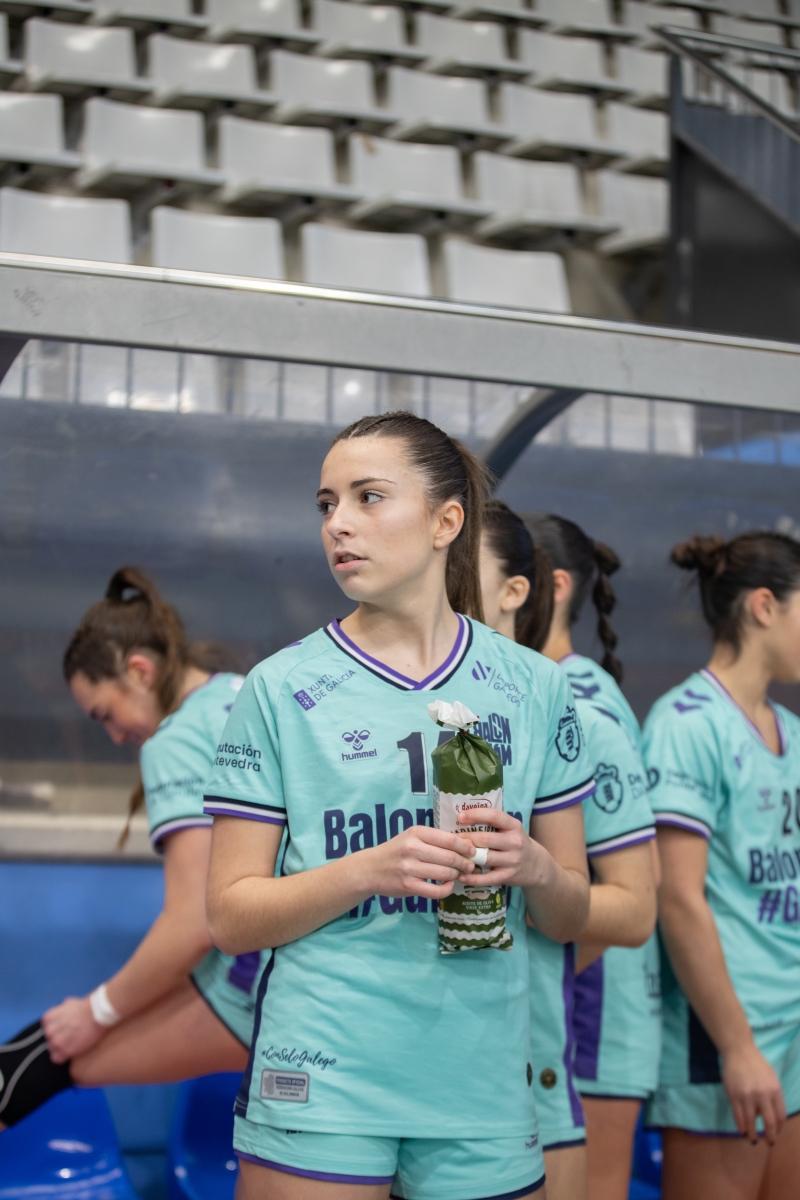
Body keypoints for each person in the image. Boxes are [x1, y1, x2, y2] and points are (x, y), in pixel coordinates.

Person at [203, 411, 595, 1200]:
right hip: (323, 1072)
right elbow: (230, 917)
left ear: (446, 522)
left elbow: (571, 916)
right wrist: (368, 870)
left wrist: (536, 868)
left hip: (483, 1080)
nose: (338, 524)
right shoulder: (279, 689)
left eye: (369, 497)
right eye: (327, 504)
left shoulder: (535, 687)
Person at [0, 568, 268, 1130]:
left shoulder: (175, 739)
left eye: (105, 714)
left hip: (260, 989)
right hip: (289, 963)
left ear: (139, 671)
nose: (116, 736)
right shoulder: (241, 690)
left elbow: (193, 923)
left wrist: (96, 1012)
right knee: (46, 1044)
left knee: (53, 1056)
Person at [480, 502, 658, 1200]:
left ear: (527, 587)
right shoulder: (481, 702)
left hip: (585, 1016)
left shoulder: (579, 707)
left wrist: (527, 900)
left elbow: (637, 901)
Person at [643, 532, 800, 1200]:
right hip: (726, 1037)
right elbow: (678, 898)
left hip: (792, 1027)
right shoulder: (686, 723)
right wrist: (737, 1047)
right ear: (764, 607)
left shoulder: (791, 729)